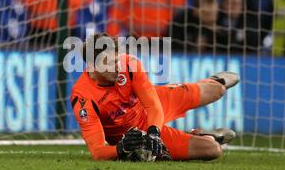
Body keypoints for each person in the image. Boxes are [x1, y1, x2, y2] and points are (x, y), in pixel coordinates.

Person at [70, 33, 238, 161]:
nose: (117, 67)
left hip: (152, 105)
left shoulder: (130, 65)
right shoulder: (83, 97)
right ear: (92, 66)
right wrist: (121, 148)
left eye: (117, 60)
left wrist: (154, 132)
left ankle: (215, 81)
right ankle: (202, 136)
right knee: (212, 149)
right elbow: (98, 151)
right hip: (134, 135)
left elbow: (152, 105)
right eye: (109, 63)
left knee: (217, 90)